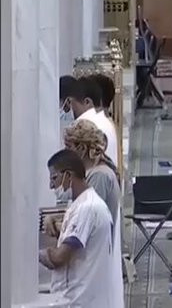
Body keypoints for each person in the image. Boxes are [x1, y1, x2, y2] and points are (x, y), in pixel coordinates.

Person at [41, 149, 119, 308]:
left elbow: (59, 258)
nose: (51, 186)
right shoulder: (82, 204)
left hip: (81, 300)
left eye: (54, 178)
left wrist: (30, 255)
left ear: (68, 176)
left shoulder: (86, 207)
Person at [60, 122, 122, 308]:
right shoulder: (94, 173)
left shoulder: (99, 176)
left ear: (81, 149)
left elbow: (86, 219)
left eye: (69, 148)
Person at [62, 77, 119, 167]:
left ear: (87, 102)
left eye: (70, 102)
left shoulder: (86, 126)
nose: (69, 108)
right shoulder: (103, 121)